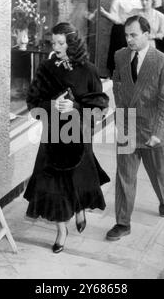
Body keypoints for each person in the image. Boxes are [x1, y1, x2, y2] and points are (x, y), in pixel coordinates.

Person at [24, 22, 110, 253]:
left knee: (78, 181)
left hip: (78, 136)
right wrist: (51, 105)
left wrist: (75, 106)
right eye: (53, 43)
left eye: (61, 43)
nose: (56, 47)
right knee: (54, 187)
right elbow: (32, 103)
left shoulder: (88, 70)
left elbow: (101, 105)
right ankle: (62, 230)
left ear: (72, 43)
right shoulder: (46, 68)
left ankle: (80, 208)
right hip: (52, 138)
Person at [106, 16, 164, 241]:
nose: (129, 39)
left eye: (134, 35)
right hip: (128, 125)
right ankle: (122, 223)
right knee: (124, 176)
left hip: (152, 129)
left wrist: (159, 132)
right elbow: (117, 85)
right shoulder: (120, 56)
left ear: (147, 34)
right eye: (126, 35)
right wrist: (120, 117)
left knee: (158, 171)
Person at [100, 0, 142, 77]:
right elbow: (114, 17)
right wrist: (106, 14)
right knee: (119, 54)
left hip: (134, 30)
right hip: (120, 31)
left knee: (133, 54)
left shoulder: (137, 0)